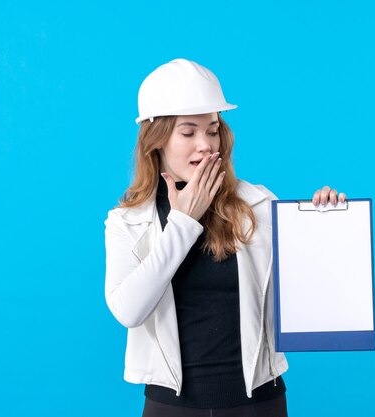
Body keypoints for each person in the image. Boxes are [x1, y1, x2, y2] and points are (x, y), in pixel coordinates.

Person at [104, 58, 346, 417]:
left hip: (259, 403)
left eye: (213, 130)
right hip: (171, 408)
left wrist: (325, 227)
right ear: (156, 141)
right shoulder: (128, 221)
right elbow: (129, 311)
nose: (205, 145)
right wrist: (185, 221)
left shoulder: (260, 205)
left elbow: (306, 297)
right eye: (188, 132)